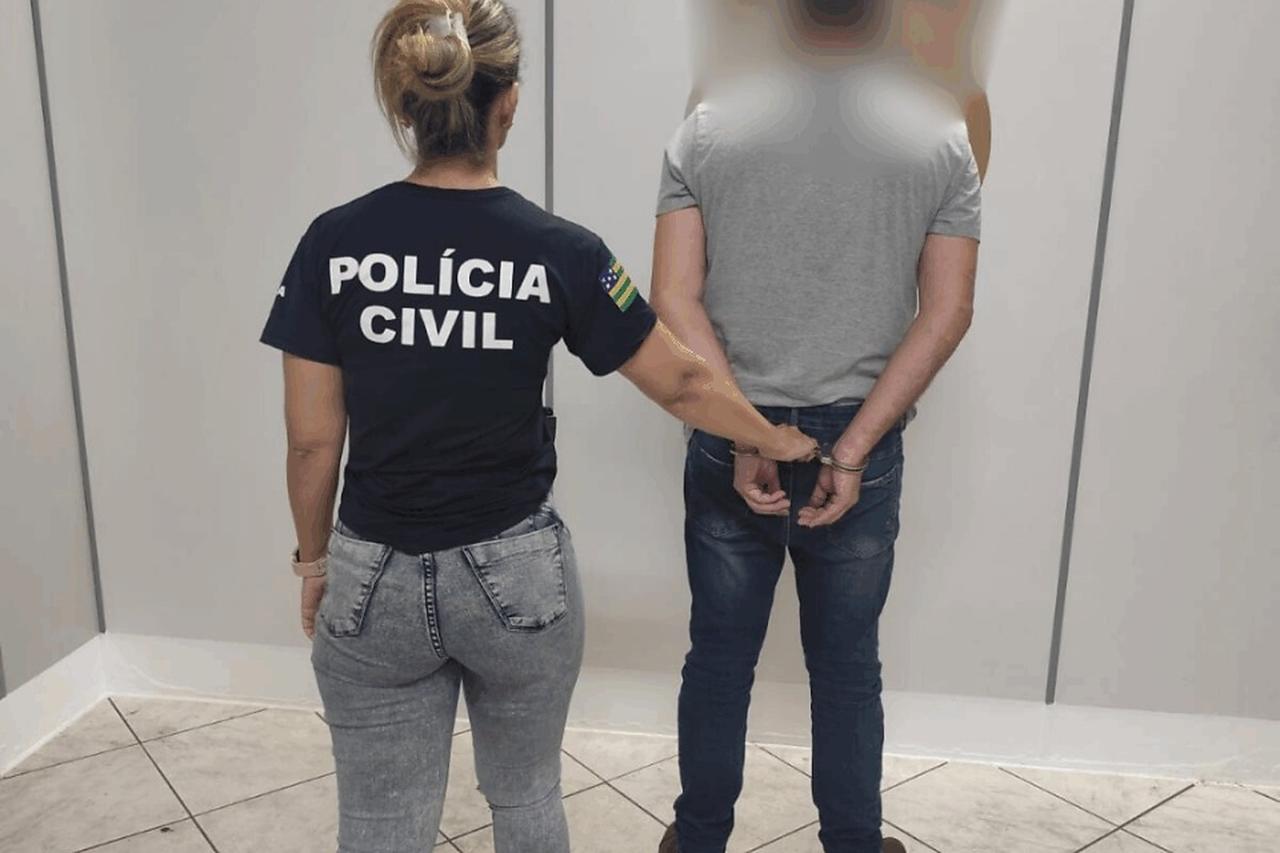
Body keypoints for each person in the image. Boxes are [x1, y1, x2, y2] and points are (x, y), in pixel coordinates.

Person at [259, 1, 817, 851]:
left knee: (379, 821)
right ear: (509, 104)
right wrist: (773, 438)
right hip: (515, 576)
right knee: (525, 797)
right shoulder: (560, 250)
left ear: (408, 104)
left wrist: (312, 562)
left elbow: (311, 441)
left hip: (373, 574)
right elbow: (680, 381)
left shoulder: (331, 244)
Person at [651, 1, 983, 851]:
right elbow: (947, 311)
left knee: (718, 658)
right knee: (846, 670)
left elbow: (674, 298)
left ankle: (698, 839)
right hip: (857, 439)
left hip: (732, 433)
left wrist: (748, 432)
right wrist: (856, 446)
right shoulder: (939, 138)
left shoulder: (708, 129)